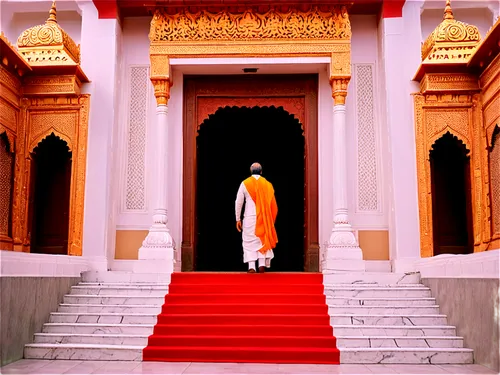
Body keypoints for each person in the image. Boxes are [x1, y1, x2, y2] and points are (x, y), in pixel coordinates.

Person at [235, 163, 278, 273]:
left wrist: (237, 218)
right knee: (262, 239)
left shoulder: (245, 183)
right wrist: (270, 220)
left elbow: (238, 202)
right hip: (263, 217)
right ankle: (262, 264)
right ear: (261, 172)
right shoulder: (268, 184)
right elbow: (274, 205)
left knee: (249, 241)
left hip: (249, 217)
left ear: (250, 171)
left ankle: (252, 266)